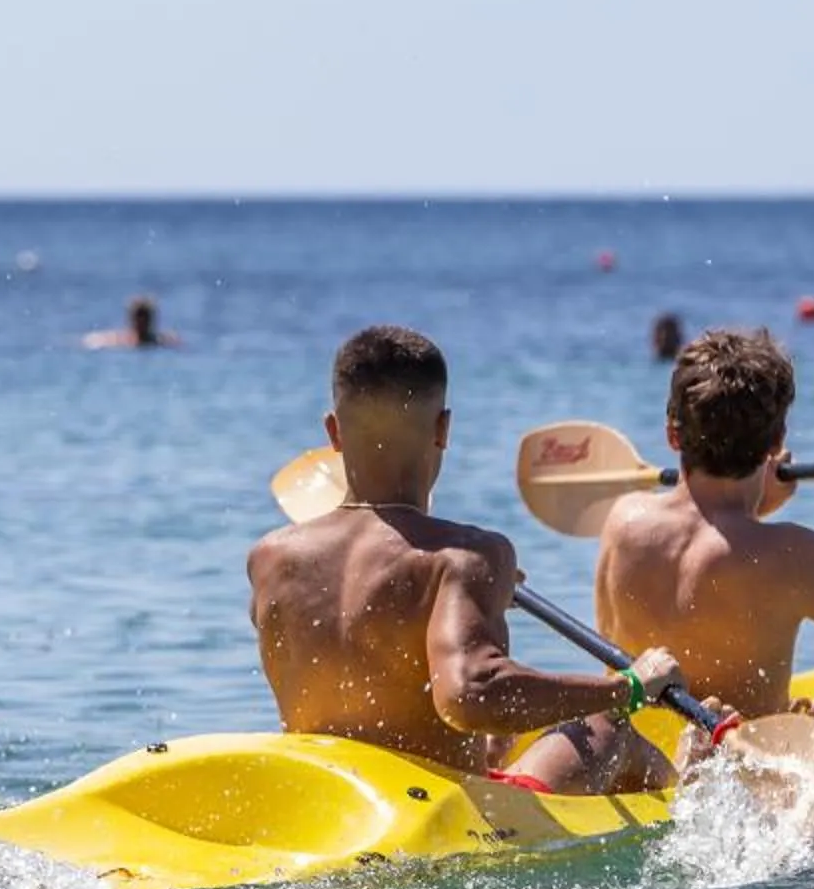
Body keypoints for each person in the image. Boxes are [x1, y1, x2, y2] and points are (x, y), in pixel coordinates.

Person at [514, 327, 814, 789]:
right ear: (775, 443)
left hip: (644, 756)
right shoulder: (793, 556)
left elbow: (706, 544)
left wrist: (758, 502)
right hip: (744, 766)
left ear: (673, 435)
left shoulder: (624, 522)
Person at [247, 324, 691, 793]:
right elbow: (470, 694)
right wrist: (631, 687)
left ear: (333, 432)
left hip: (332, 802)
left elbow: (364, 649)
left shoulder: (270, 558)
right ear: (443, 429)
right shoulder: (466, 556)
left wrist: (481, 597)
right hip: (435, 813)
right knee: (609, 724)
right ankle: (690, 790)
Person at [84, 295, 181, 349]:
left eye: (145, 317)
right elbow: (91, 340)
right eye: (139, 317)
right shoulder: (119, 340)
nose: (142, 322)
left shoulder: (162, 340)